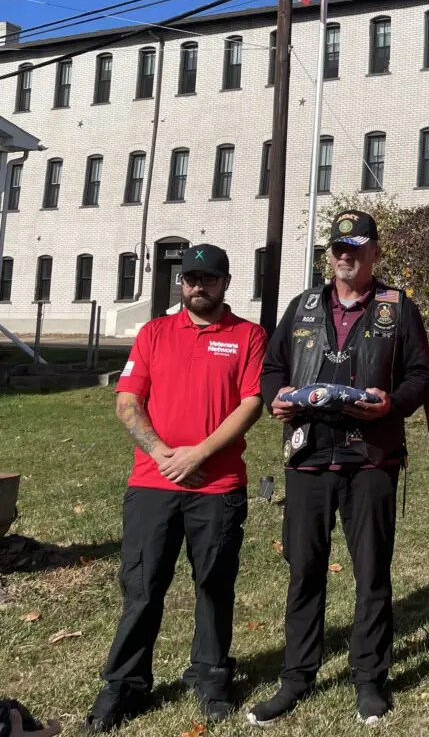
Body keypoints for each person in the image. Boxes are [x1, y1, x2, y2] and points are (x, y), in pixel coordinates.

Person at [248, 210, 429, 727]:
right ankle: (297, 676)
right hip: (309, 457)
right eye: (338, 248)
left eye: (356, 247)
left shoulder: (398, 308)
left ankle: (370, 678)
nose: (345, 256)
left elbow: (423, 374)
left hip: (371, 457)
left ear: (375, 252)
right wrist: (275, 398)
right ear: (328, 254)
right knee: (304, 570)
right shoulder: (303, 305)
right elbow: (273, 368)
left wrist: (392, 403)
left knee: (372, 572)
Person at [83, 245, 266, 732]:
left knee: (213, 584)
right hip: (152, 483)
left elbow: (251, 404)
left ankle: (210, 675)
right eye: (190, 279)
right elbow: (127, 402)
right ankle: (124, 684)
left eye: (208, 279)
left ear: (225, 282)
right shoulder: (153, 333)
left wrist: (199, 452)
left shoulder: (248, 336)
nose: (197, 287)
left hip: (217, 484)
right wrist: (163, 452)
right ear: (180, 283)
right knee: (142, 587)